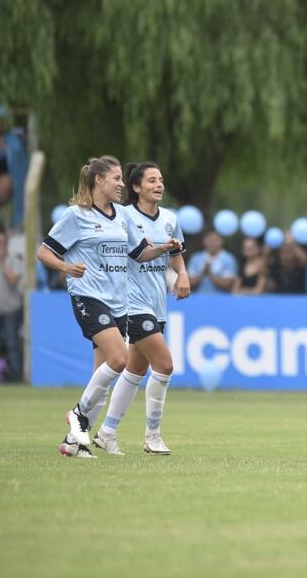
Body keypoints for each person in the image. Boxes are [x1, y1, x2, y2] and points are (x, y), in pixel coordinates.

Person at [36, 156, 181, 458]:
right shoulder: (77, 215)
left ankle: (74, 442)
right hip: (89, 296)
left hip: (118, 302)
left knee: (102, 375)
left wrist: (163, 249)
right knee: (119, 358)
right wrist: (66, 267)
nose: (120, 184)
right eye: (116, 178)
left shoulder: (122, 216)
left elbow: (140, 253)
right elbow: (44, 252)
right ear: (98, 180)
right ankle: (78, 416)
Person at [91, 162, 190, 455]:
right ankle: (153, 435)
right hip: (131, 302)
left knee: (136, 369)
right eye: (151, 181)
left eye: (160, 180)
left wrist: (182, 274)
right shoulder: (123, 216)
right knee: (165, 364)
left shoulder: (170, 218)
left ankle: (107, 431)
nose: (158, 185)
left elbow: (177, 252)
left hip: (157, 302)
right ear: (136, 188)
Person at [0, 230, 23, 382]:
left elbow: (13, 280)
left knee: (12, 344)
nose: (1, 246)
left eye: (3, 243)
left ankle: (15, 378)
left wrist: (3, 262)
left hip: (11, 310)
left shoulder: (14, 260)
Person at [0, 105, 23, 226]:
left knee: (5, 182)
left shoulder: (9, 140)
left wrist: (4, 148)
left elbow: (17, 161)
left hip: (5, 179)